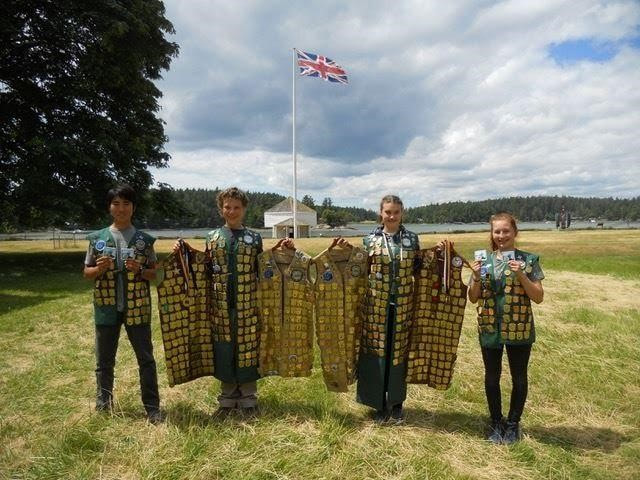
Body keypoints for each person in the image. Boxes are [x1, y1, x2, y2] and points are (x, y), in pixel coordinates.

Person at [177, 187, 263, 416]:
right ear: (220, 209)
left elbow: (263, 269)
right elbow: (204, 268)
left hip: (247, 305)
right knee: (223, 349)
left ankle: (248, 398)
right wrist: (184, 253)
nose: (231, 211)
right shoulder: (212, 237)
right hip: (220, 306)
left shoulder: (255, 238)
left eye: (236, 207)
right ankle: (226, 399)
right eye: (227, 207)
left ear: (244, 209)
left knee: (246, 348)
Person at [83, 184, 163, 424]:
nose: (121, 208)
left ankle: (152, 408)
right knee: (104, 360)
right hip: (106, 306)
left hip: (137, 306)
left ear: (133, 207)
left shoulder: (144, 241)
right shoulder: (97, 238)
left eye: (126, 203)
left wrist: (141, 269)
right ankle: (103, 405)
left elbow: (156, 274)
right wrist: (99, 268)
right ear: (109, 207)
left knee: (146, 359)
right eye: (116, 203)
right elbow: (87, 272)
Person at [468, 212, 544, 444]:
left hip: (519, 328)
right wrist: (476, 276)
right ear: (492, 234)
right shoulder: (484, 261)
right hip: (490, 326)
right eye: (497, 231)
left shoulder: (529, 260)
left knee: (519, 377)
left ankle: (512, 424)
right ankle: (495, 422)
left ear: (515, 232)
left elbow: (538, 296)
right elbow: (472, 297)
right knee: (492, 378)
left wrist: (520, 274)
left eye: (505, 231)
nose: (501, 235)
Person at [343, 195, 420, 423]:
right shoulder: (369, 241)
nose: (392, 216)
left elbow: (420, 270)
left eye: (396, 212)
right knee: (377, 353)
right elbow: (360, 272)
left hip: (403, 305)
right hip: (376, 305)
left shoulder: (412, 240)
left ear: (402, 213)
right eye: (388, 212)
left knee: (398, 354)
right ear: (381, 213)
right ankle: (377, 403)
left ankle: (396, 403)